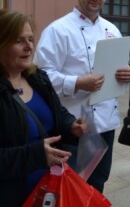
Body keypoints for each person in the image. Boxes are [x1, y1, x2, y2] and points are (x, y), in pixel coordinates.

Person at [34, 0, 130, 193]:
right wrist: (77, 82)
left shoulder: (111, 29)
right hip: (75, 124)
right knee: (71, 185)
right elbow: (40, 77)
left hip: (106, 124)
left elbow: (117, 71)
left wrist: (126, 74)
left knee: (98, 183)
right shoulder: (58, 30)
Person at [0, 10, 85, 206]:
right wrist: (36, 155)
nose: (29, 47)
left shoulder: (38, 78)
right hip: (12, 195)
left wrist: (71, 125)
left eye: (30, 39)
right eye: (19, 41)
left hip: (49, 189)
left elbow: (57, 112)